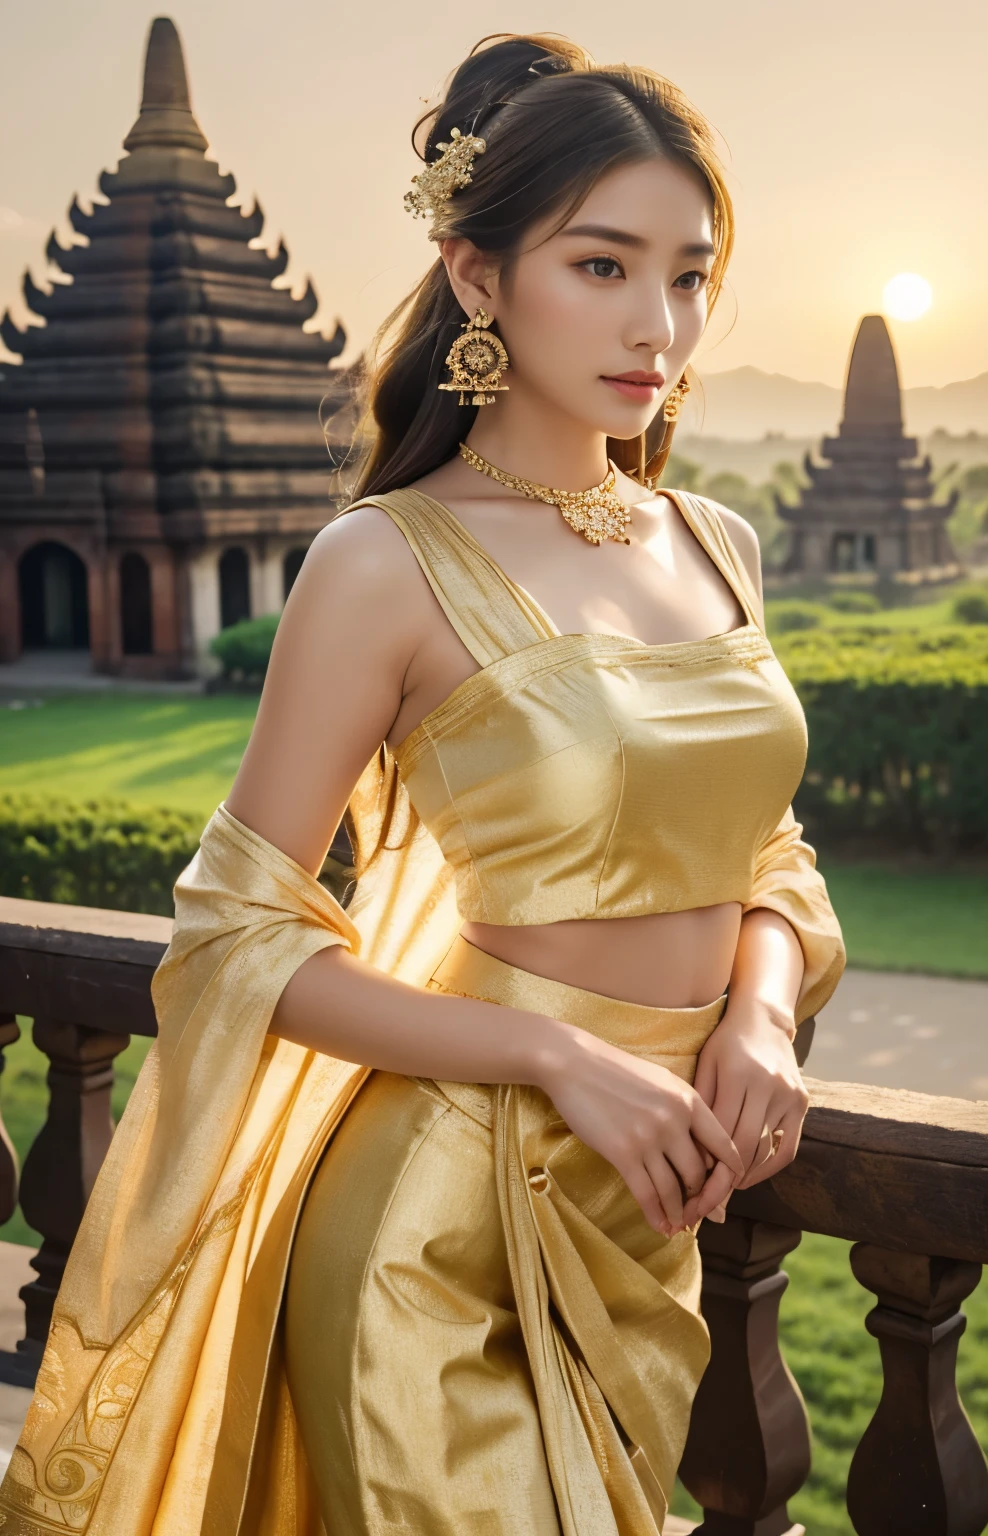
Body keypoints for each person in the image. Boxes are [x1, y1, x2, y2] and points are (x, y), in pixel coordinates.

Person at [0, 33, 844, 1536]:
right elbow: (240, 934)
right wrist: (555, 1058)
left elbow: (760, 845)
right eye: (601, 265)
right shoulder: (383, 562)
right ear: (475, 277)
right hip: (438, 1224)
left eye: (692, 272)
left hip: (650, 1221)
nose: (660, 323)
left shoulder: (717, 542)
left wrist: (766, 1014)